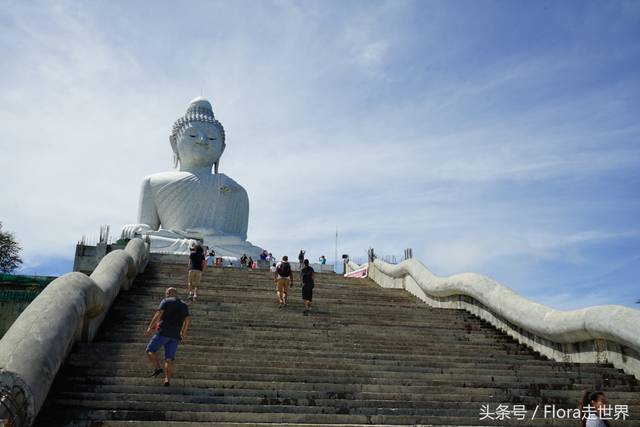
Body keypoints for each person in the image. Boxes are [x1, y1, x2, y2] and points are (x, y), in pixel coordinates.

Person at [119, 96, 264, 257]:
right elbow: (147, 229)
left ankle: (201, 247)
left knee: (257, 253)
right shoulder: (152, 182)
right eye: (193, 135)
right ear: (174, 143)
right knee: (137, 240)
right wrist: (138, 229)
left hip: (216, 246)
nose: (202, 141)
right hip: (173, 242)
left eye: (211, 138)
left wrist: (211, 235)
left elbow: (239, 239)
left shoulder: (236, 190)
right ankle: (196, 247)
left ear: (221, 149)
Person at [145, 287, 190, 387]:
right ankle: (167, 380)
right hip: (175, 335)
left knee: (150, 350)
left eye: (166, 293)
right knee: (169, 358)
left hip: (163, 332)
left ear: (169, 293)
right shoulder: (184, 304)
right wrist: (183, 333)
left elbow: (159, 313)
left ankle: (157, 368)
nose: (166, 295)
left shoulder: (166, 301)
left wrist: (150, 327)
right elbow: (187, 321)